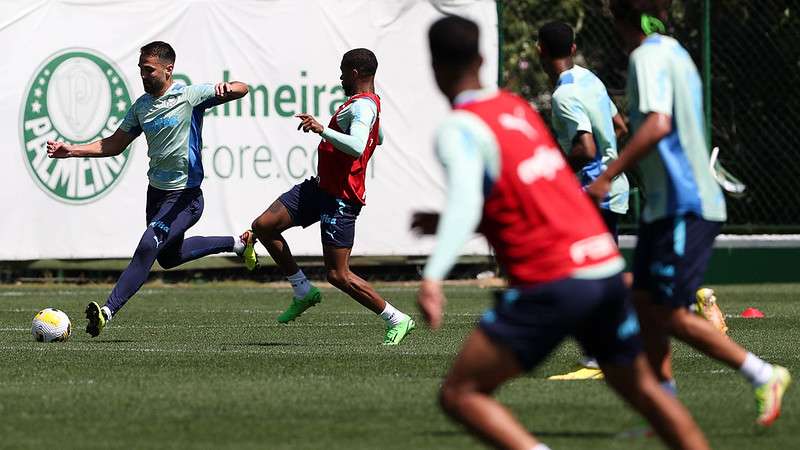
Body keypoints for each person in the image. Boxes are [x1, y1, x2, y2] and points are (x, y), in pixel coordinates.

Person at [415, 15, 710, 450]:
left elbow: (464, 199)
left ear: (434, 68)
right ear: (481, 58)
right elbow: (526, 197)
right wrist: (453, 223)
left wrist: (434, 274)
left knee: (461, 393)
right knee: (645, 391)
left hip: (554, 281)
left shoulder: (461, 126)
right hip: (604, 269)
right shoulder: (516, 109)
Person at [587, 0, 790, 427]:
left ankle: (763, 374)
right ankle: (665, 410)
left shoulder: (646, 56)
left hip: (685, 203)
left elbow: (658, 124)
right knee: (645, 304)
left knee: (667, 312)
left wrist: (610, 174)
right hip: (670, 204)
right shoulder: (676, 51)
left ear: (625, 21)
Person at [46, 41, 255, 337]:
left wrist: (229, 88)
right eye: (141, 70)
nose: (143, 75)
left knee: (148, 245)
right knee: (168, 257)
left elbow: (242, 88)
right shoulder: (141, 107)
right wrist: (72, 151)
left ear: (168, 70)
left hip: (186, 196)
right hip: (156, 194)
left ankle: (106, 312)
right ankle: (237, 243)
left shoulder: (189, 96)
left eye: (149, 70)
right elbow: (114, 145)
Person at [245, 48, 415, 345]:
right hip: (320, 188)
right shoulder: (366, 106)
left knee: (338, 275)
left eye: (341, 71)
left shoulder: (362, 107)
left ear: (354, 73)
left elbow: (359, 146)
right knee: (264, 225)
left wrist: (322, 130)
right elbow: (379, 138)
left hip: (340, 197)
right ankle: (302, 290)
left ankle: (397, 318)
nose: (339, 77)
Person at [538, 20, 630, 381]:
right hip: (610, 188)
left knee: (582, 273)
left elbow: (585, 148)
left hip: (590, 193)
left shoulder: (564, 95)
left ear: (540, 51)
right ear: (573, 49)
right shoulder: (590, 79)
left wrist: (552, 170)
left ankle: (597, 358)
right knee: (597, 272)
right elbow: (619, 127)